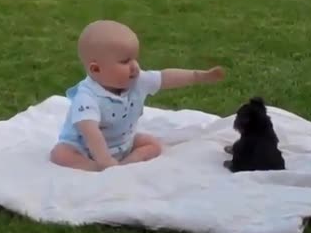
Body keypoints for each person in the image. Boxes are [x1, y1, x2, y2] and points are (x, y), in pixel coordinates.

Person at [50, 20, 225, 171]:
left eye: (134, 58)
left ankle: (127, 164)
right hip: (85, 148)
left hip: (123, 144)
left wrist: (197, 75)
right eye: (125, 61)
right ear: (96, 69)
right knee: (61, 154)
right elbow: (90, 132)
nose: (134, 66)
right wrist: (104, 161)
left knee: (152, 144)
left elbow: (165, 78)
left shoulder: (136, 80)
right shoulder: (87, 97)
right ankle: (94, 168)